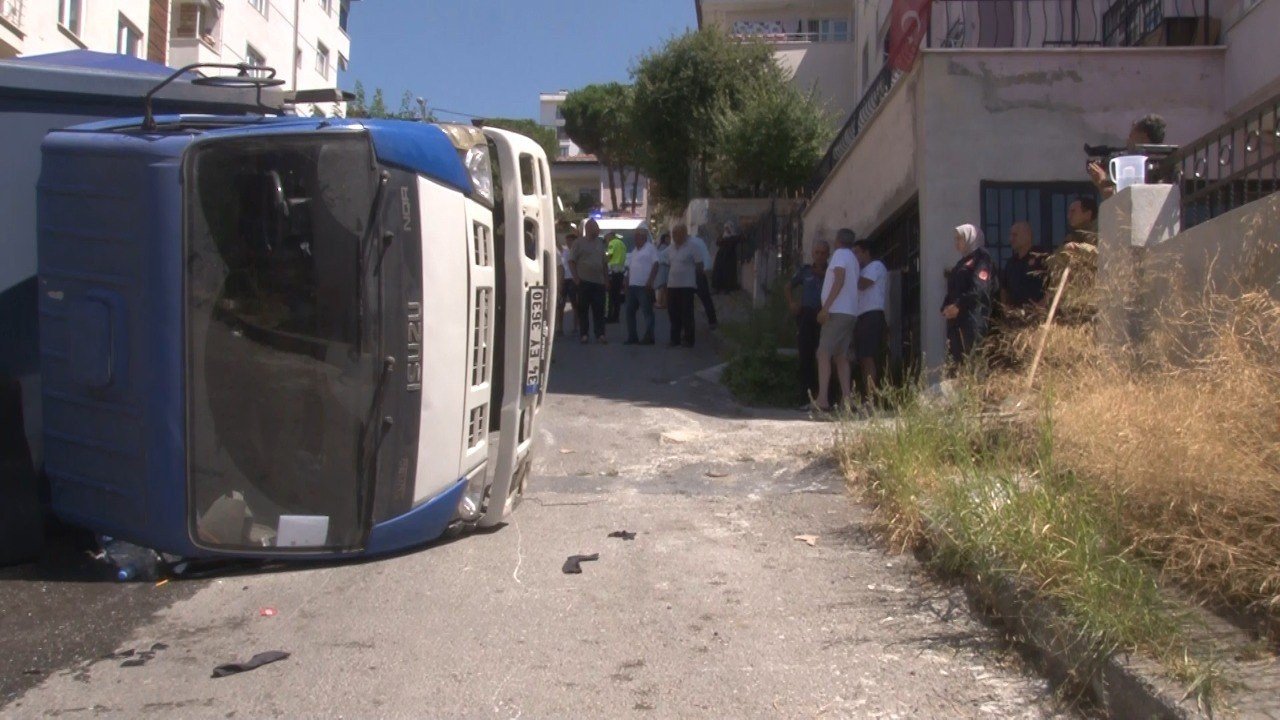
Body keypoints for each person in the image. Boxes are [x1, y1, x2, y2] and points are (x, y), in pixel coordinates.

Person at [816, 229, 861, 410]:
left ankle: (822, 399)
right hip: (850, 312)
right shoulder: (853, 259)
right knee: (841, 356)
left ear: (838, 240)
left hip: (837, 312)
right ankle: (847, 399)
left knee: (823, 353)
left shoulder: (840, 255)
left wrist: (826, 308)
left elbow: (839, 279)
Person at [942, 224, 997, 370]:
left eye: (960, 238)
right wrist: (946, 306)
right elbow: (953, 289)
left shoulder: (982, 259)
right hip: (957, 323)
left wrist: (958, 305)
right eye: (956, 239)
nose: (956, 242)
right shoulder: (960, 263)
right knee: (958, 365)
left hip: (973, 320)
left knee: (974, 364)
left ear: (970, 238)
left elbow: (979, 289)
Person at [786, 241, 830, 407]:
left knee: (825, 356)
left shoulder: (832, 272)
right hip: (807, 315)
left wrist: (823, 274)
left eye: (823, 253)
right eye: (817, 252)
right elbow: (788, 286)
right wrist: (792, 303)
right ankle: (805, 396)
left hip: (825, 316)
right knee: (805, 355)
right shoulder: (805, 271)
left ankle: (825, 395)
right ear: (812, 254)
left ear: (828, 255)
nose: (819, 256)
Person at [1087, 114, 1167, 199]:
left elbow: (1123, 200)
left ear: (1143, 136)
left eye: (1131, 136)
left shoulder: (1143, 165)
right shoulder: (1163, 161)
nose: (1128, 141)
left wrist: (1101, 183)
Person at [851, 240, 887, 406]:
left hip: (872, 315)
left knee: (869, 357)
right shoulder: (862, 270)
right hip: (861, 316)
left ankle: (872, 398)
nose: (855, 256)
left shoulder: (875, 266)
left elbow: (863, 284)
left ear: (866, 252)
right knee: (863, 358)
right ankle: (866, 395)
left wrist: (851, 270)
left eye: (857, 252)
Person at [568, 219, 609, 344]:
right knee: (583, 309)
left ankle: (600, 334)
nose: (598, 230)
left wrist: (606, 280)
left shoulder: (600, 243)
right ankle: (584, 334)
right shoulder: (579, 243)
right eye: (596, 228)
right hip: (584, 281)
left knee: (599, 309)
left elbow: (604, 263)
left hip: (599, 282)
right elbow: (571, 261)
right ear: (589, 229)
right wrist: (576, 278)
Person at [666, 224, 704, 348]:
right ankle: (675, 339)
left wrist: (696, 281)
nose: (674, 236)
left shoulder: (692, 247)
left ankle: (689, 339)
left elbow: (699, 265)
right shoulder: (671, 248)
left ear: (683, 234)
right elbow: (666, 261)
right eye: (673, 234)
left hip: (687, 285)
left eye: (676, 234)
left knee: (687, 313)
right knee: (673, 312)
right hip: (672, 285)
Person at [623, 227, 660, 345]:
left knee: (647, 312)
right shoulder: (635, 251)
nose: (635, 239)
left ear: (643, 237)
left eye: (637, 237)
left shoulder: (650, 248)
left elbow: (656, 264)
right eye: (635, 237)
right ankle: (632, 336)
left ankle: (650, 336)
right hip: (632, 286)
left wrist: (651, 280)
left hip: (644, 286)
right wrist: (626, 280)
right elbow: (630, 268)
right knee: (629, 312)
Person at [999, 222, 1048, 309]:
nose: (1011, 239)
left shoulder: (1041, 259)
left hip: (1037, 314)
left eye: (1015, 235)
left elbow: (1053, 287)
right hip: (1015, 314)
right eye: (1010, 235)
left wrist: (1041, 307)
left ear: (1027, 236)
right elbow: (1004, 289)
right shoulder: (1011, 263)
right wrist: (1005, 308)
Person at [688, 230, 719, 330]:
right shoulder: (698, 241)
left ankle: (689, 325)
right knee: (705, 298)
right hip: (699, 272)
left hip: (695, 273)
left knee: (690, 300)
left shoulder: (689, 243)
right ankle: (712, 321)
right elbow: (705, 255)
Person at [711, 221, 743, 293]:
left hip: (730, 257)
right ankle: (718, 287)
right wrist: (722, 240)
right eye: (725, 228)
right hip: (721, 256)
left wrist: (726, 240)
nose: (726, 230)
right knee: (719, 271)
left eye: (728, 228)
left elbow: (737, 240)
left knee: (728, 272)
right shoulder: (723, 236)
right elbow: (718, 242)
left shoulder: (734, 236)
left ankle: (727, 288)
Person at [558, 233, 578, 337]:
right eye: (567, 241)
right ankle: (560, 328)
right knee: (560, 305)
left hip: (573, 280)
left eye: (570, 241)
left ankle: (575, 327)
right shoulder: (564, 251)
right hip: (564, 280)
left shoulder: (577, 252)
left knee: (575, 304)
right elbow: (557, 244)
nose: (568, 243)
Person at [605, 232, 628, 323]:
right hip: (620, 272)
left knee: (610, 296)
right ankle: (616, 316)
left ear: (610, 236)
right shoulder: (622, 244)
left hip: (612, 272)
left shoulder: (612, 243)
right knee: (616, 296)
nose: (606, 240)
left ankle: (609, 317)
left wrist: (603, 261)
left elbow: (610, 255)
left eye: (606, 238)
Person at [654, 232, 671, 310]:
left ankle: (663, 302)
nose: (669, 240)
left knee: (663, 286)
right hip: (663, 268)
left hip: (664, 268)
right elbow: (661, 258)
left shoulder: (663, 246)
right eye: (667, 238)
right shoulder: (664, 247)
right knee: (663, 286)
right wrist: (668, 263)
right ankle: (662, 303)